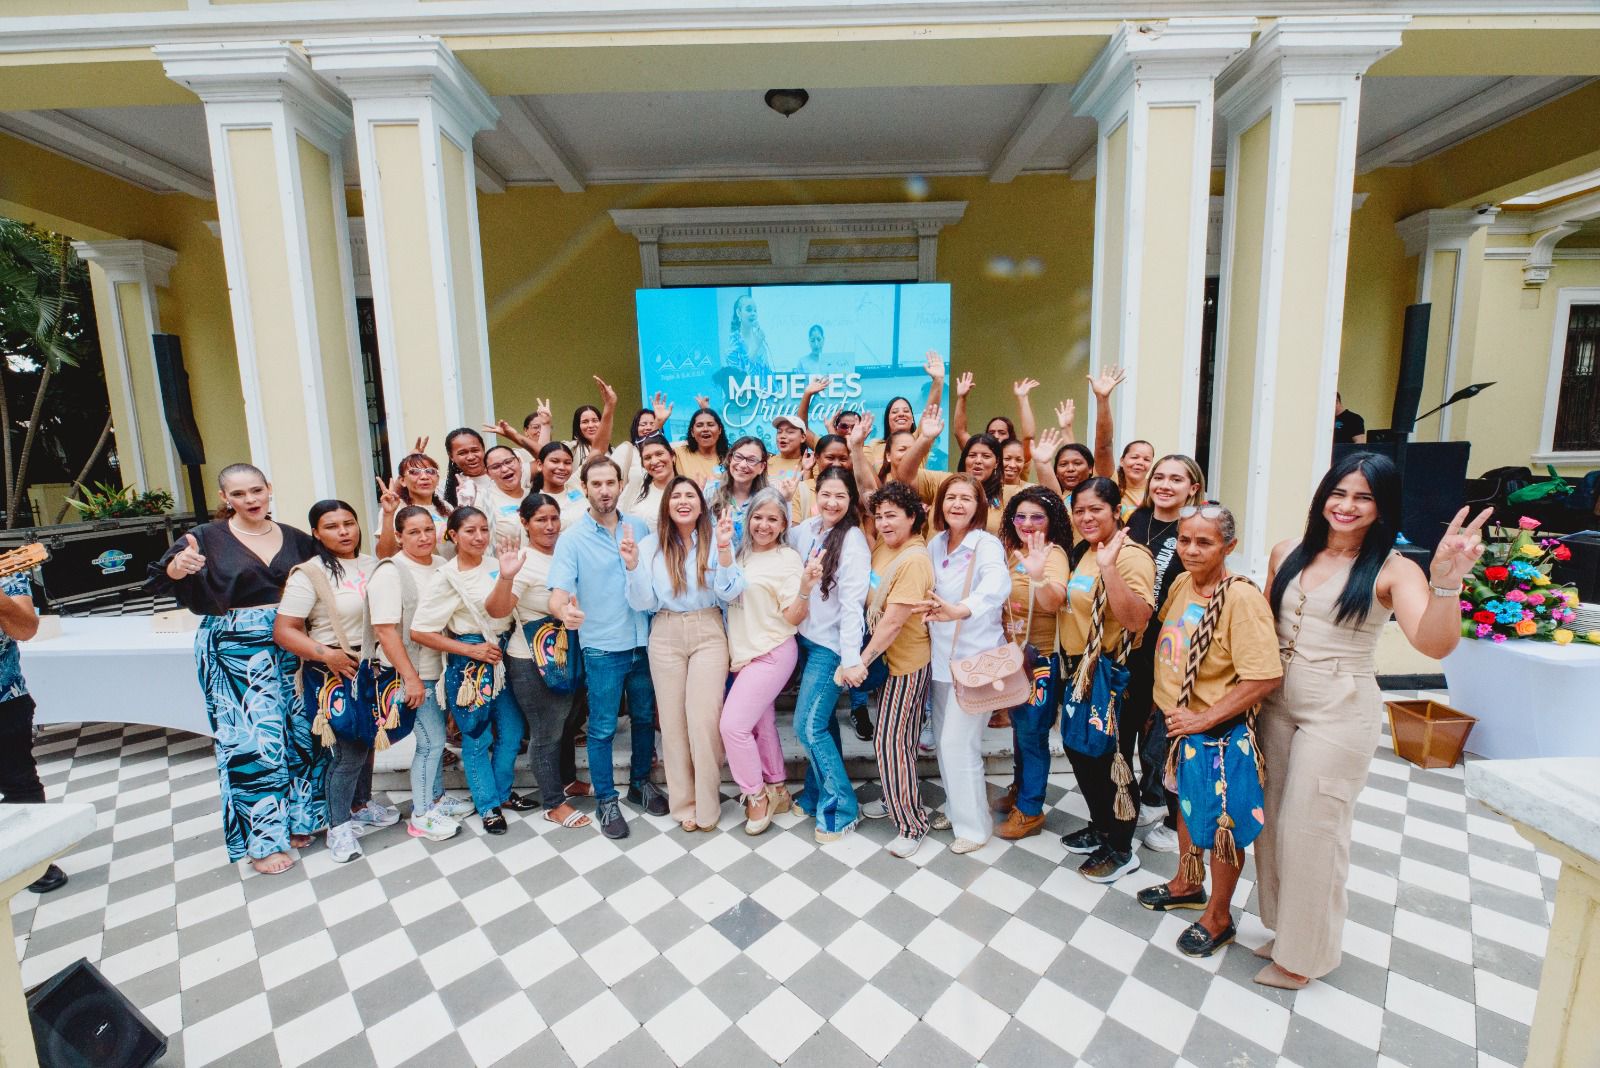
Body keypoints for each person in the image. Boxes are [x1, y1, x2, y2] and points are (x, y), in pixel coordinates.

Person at [1253, 454, 1488, 989]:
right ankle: (1287, 929)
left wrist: (1447, 583)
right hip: (1275, 703)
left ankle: (1304, 958)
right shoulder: (1287, 551)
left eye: (1364, 497)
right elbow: (1262, 626)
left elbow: (1432, 643)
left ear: (1382, 508)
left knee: (1313, 830)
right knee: (1270, 823)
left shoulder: (1393, 569)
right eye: (1340, 492)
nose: (1347, 506)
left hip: (1339, 709)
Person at [148, 463, 318, 875]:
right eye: (239, 494)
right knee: (252, 741)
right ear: (226, 498)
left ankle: (298, 820)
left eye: (256, 490)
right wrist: (177, 568)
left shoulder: (296, 539)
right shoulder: (203, 538)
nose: (251, 500)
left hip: (291, 640)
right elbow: (159, 579)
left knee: (298, 734)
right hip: (234, 648)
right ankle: (262, 841)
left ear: (269, 488)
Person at [1135, 503, 1283, 957]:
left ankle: (1219, 916)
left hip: (1213, 731)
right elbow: (1171, 650)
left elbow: (1264, 676)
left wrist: (1203, 718)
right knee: (1182, 806)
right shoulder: (1182, 583)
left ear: (1229, 546)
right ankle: (1186, 882)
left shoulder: (1241, 599)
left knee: (1223, 825)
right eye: (1184, 540)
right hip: (1175, 723)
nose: (1191, 550)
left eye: (1205, 542)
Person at [548, 455, 669, 839]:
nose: (604, 490)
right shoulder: (572, 539)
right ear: (585, 488)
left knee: (645, 718)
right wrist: (564, 612)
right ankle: (606, 799)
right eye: (596, 484)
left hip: (642, 642)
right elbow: (558, 594)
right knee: (601, 728)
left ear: (621, 485)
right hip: (603, 646)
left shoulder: (638, 526)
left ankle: (639, 784)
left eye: (610, 483)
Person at [274, 500, 394, 864]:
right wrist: (326, 655)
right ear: (316, 532)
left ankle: (361, 804)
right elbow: (284, 630)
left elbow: (389, 554)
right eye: (332, 526)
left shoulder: (369, 563)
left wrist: (388, 514)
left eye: (349, 523)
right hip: (332, 668)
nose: (343, 532)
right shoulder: (309, 574)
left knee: (369, 739)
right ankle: (338, 828)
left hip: (369, 665)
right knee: (347, 752)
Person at [1058, 477, 1156, 883]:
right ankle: (1102, 825)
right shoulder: (1085, 550)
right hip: (1081, 669)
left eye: (1095, 509)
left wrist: (1110, 569)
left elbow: (1136, 619)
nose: (1085, 517)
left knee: (1112, 759)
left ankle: (1121, 847)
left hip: (1113, 674)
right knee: (1082, 751)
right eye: (1079, 510)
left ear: (1118, 511)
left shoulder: (1131, 556)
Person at [625, 476, 735, 831]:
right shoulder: (649, 545)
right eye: (677, 496)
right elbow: (643, 602)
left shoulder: (716, 537)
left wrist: (724, 552)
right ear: (667, 505)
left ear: (701, 504)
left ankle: (707, 805)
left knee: (703, 723)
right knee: (672, 725)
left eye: (691, 495)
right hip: (666, 630)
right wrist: (631, 566)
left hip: (708, 629)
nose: (683, 501)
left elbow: (730, 593)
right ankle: (683, 803)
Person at [410, 507, 526, 836]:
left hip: (502, 654)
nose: (478, 537)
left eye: (483, 530)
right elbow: (420, 631)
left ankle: (502, 793)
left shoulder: (496, 566)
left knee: (513, 731)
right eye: (470, 531)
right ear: (453, 536)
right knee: (476, 737)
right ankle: (487, 805)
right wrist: (470, 650)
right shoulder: (447, 577)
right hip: (470, 663)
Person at [484, 493, 591, 829]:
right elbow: (498, 610)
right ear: (525, 523)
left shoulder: (568, 553)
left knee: (569, 724)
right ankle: (553, 804)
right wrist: (506, 576)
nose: (549, 525)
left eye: (554, 518)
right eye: (541, 519)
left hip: (569, 653)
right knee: (546, 732)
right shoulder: (523, 562)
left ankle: (567, 780)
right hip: (530, 660)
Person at [919, 474, 1011, 854]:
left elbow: (997, 584)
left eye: (965, 499)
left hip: (977, 659)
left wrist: (962, 608)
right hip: (941, 660)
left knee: (960, 744)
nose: (957, 504)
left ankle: (975, 827)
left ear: (979, 506)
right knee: (944, 743)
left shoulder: (985, 545)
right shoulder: (935, 543)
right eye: (950, 497)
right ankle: (959, 812)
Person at [369, 505, 471, 842]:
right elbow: (385, 630)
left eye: (428, 529)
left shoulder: (441, 566)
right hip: (413, 673)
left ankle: (438, 799)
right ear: (398, 536)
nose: (424, 537)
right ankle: (422, 815)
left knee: (435, 738)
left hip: (439, 670)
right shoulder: (391, 571)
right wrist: (410, 678)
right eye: (414, 532)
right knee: (431, 743)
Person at [1124, 454, 1206, 853]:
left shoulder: (1194, 528)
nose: (1165, 484)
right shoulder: (1135, 521)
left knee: (1168, 734)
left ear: (1193, 487)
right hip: (1134, 646)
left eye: (1177, 479)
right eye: (1159, 476)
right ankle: (1150, 796)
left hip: (1175, 647)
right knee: (1135, 726)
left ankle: (1176, 821)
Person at [719, 489, 811, 835]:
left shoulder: (787, 558)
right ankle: (778, 788)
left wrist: (804, 589)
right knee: (760, 724)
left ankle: (755, 795)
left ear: (784, 523)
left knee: (732, 726)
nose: (764, 524)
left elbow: (793, 616)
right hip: (744, 652)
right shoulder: (740, 554)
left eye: (773, 518)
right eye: (758, 516)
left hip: (772, 651)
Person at [786, 465, 871, 844]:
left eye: (840, 495)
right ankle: (816, 792)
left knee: (806, 725)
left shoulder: (852, 540)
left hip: (832, 648)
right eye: (826, 494)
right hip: (805, 639)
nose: (832, 502)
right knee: (823, 724)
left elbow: (853, 606)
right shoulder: (807, 529)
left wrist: (850, 658)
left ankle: (842, 808)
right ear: (815, 494)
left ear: (850, 499)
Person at [854, 482, 935, 858]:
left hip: (905, 662)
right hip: (890, 663)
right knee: (896, 742)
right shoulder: (886, 547)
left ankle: (911, 823)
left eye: (892, 516)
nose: (884, 523)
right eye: (880, 515)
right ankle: (895, 799)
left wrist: (861, 660)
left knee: (890, 742)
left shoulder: (915, 559)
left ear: (913, 516)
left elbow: (893, 623)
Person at [991, 488, 1071, 841]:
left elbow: (1054, 601)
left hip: (1040, 660)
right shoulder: (1011, 553)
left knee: (1034, 736)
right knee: (1020, 730)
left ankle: (1031, 810)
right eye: (1020, 516)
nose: (1026, 523)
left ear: (1051, 521)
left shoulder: (1052, 555)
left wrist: (1038, 575)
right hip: (1013, 658)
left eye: (1036, 517)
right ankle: (1020, 790)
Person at [0, 549, 64, 893]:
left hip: (5, 697)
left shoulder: (8, 572)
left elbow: (25, 629)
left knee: (19, 781)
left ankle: (33, 861)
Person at [895, 405, 1019, 533]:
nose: (978, 461)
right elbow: (905, 476)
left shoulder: (1008, 494)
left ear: (997, 462)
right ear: (964, 459)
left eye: (986, 456)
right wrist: (924, 439)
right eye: (972, 455)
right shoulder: (943, 481)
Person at [952, 373, 1041, 476]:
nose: (996, 436)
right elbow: (960, 432)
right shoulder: (979, 453)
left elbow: (1029, 436)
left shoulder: (1017, 454)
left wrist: (1022, 398)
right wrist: (961, 397)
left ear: (1010, 436)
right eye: (991, 432)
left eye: (1002, 432)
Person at [374, 452, 451, 559]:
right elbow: (385, 555)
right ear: (402, 481)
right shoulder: (396, 507)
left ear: (437, 479)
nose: (424, 477)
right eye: (414, 472)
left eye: (430, 471)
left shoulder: (447, 507)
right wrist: (388, 514)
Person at [708, 435, 774, 549]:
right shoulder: (710, 491)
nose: (743, 465)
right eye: (738, 457)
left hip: (754, 562)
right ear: (730, 459)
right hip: (717, 563)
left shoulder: (769, 497)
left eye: (751, 460)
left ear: (762, 467)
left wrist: (787, 499)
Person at [622, 433, 677, 534]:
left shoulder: (685, 489)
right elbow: (620, 517)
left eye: (659, 454)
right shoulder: (637, 485)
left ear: (672, 456)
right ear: (643, 464)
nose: (654, 461)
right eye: (647, 458)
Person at [481, 445, 534, 546]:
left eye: (509, 461)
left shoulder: (533, 494)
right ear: (488, 473)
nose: (505, 469)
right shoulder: (484, 500)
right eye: (496, 467)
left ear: (519, 462)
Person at [527, 441, 588, 529]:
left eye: (567, 463)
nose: (562, 467)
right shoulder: (536, 502)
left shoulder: (575, 483)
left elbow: (598, 449)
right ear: (540, 465)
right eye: (555, 461)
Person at [566, 375, 619, 467]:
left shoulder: (613, 452)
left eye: (595, 420)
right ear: (577, 426)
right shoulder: (570, 448)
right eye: (585, 422)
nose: (591, 425)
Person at [673, 407, 730, 490]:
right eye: (699, 425)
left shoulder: (730, 457)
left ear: (720, 430)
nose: (705, 429)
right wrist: (658, 424)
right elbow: (652, 449)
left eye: (710, 425)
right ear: (692, 432)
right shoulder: (678, 453)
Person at [442, 427, 492, 509]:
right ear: (451, 456)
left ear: (483, 449)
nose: (471, 457)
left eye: (475, 450)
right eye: (462, 453)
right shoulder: (445, 487)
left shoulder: (503, 475)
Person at [727, 292, 770, 375]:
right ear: (739, 313)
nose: (753, 313)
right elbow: (740, 377)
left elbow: (767, 371)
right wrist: (756, 346)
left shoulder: (758, 339)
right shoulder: (733, 344)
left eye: (755, 311)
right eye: (749, 310)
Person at [1117, 440, 1155, 513]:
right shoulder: (1112, 482)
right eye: (1134, 457)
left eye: (1146, 459)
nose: (1140, 462)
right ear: (1122, 461)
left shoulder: (1155, 489)